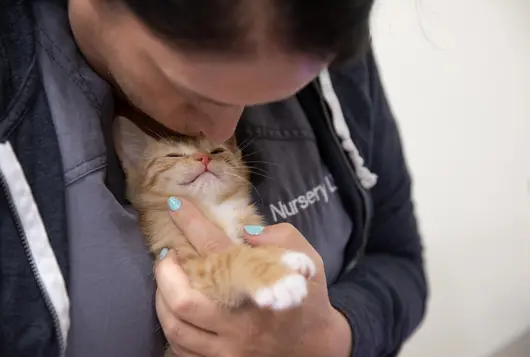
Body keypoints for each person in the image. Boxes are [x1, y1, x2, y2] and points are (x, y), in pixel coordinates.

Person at [0, 0, 428, 356]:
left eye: (276, 95)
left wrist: (331, 339)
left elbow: (400, 261)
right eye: (194, 93)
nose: (224, 133)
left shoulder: (322, 26)